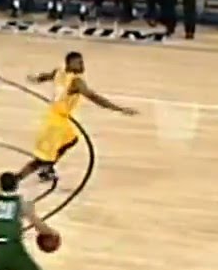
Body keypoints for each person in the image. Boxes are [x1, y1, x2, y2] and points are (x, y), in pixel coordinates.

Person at [16, 52, 138, 183]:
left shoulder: (59, 71)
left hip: (56, 117)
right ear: (69, 63)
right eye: (79, 62)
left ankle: (47, 167)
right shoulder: (76, 82)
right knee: (41, 160)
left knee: (72, 140)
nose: (82, 65)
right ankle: (16, 179)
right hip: (56, 123)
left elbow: (48, 76)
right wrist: (120, 109)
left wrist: (36, 78)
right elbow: (94, 97)